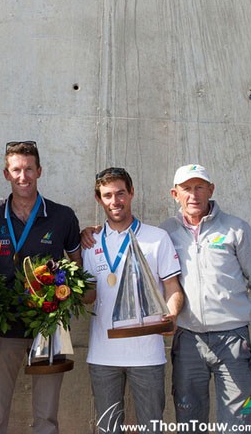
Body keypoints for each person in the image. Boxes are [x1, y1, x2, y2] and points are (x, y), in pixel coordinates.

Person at [159, 164, 251, 433]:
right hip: (187, 341)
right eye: (186, 189)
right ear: (175, 194)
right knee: (189, 425)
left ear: (211, 190)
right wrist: (93, 232)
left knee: (239, 426)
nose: (194, 195)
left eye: (200, 187)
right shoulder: (165, 232)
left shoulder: (236, 229)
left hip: (233, 341)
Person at [0, 141, 82, 434]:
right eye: (16, 170)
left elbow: (78, 267)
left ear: (39, 171)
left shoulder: (63, 216)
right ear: (6, 174)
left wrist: (63, 294)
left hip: (48, 327)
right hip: (3, 328)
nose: (22, 176)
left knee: (46, 416)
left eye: (28, 169)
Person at [81, 167, 184, 434]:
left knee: (152, 428)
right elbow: (89, 297)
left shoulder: (157, 238)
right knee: (108, 429)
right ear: (98, 199)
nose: (115, 202)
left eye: (120, 194)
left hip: (147, 354)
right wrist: (61, 290)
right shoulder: (90, 243)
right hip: (103, 354)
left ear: (132, 193)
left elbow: (172, 288)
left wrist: (171, 315)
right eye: (107, 196)